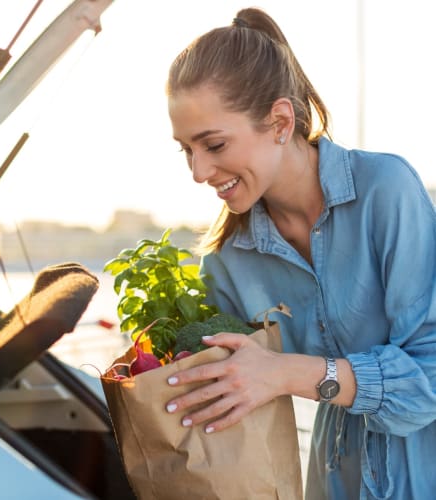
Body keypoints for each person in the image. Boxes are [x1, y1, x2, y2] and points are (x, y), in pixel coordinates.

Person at [163, 7, 436, 500]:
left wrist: (285, 373)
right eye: (186, 149)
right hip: (333, 485)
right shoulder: (226, 262)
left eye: (215, 144)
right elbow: (231, 400)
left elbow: (428, 384)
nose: (199, 172)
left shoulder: (385, 191)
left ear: (281, 122)